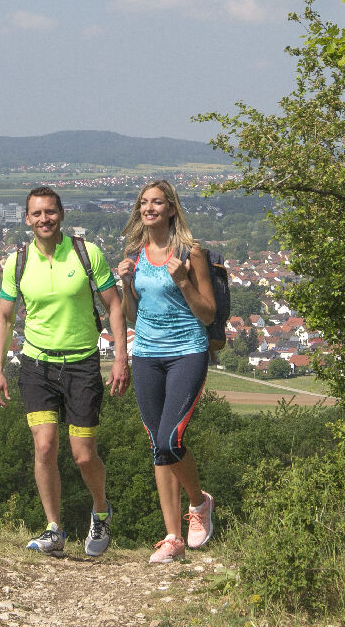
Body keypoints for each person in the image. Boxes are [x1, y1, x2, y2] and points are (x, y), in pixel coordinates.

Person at [0, 186, 129, 557]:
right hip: (37, 364)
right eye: (37, 213)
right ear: (27, 219)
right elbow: (4, 316)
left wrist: (120, 357)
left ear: (62, 214)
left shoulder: (86, 253)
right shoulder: (17, 262)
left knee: (83, 455)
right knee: (44, 446)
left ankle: (100, 509)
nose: (44, 219)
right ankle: (54, 528)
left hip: (82, 364)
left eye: (50, 212)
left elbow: (114, 306)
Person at [116, 179, 218, 564]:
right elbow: (132, 314)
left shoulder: (191, 253)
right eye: (144, 202)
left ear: (172, 208)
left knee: (170, 439)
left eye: (157, 202)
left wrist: (183, 282)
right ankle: (172, 537)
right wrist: (126, 282)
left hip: (187, 352)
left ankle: (199, 502)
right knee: (157, 445)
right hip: (146, 354)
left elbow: (207, 313)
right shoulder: (134, 253)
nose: (149, 208)